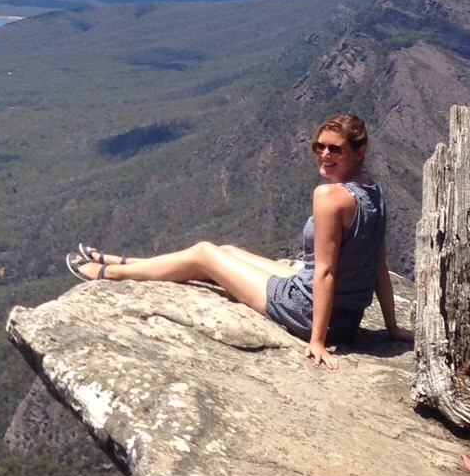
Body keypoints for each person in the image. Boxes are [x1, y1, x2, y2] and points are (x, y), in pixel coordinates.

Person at [68, 113, 410, 369]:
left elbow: (325, 273)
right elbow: (378, 264)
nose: (324, 155)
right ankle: (125, 261)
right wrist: (391, 328)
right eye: (318, 146)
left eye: (335, 149)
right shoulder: (373, 191)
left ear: (360, 149)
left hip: (307, 312)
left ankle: (113, 274)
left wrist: (317, 340)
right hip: (346, 320)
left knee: (205, 253)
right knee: (227, 251)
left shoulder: (330, 196)